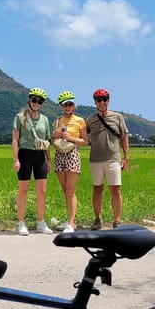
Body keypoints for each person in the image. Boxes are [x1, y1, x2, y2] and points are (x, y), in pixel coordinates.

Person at [11, 87, 53, 235]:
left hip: (40, 155)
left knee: (42, 190)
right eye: (34, 100)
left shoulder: (45, 119)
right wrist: (16, 159)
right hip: (25, 155)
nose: (36, 103)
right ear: (29, 100)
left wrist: (49, 159)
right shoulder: (20, 117)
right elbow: (15, 140)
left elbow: (47, 141)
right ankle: (21, 223)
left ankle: (41, 222)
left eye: (39, 101)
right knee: (23, 190)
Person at [86, 88, 129, 229]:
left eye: (104, 99)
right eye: (99, 100)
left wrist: (126, 157)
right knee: (97, 189)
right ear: (95, 102)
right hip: (96, 159)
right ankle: (97, 219)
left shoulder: (117, 117)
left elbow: (124, 137)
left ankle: (117, 220)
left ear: (109, 101)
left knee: (115, 190)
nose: (102, 102)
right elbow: (83, 136)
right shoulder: (91, 120)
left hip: (113, 158)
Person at [51, 90, 89, 232]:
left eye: (70, 104)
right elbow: (52, 137)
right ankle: (69, 219)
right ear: (61, 106)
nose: (67, 107)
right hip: (59, 154)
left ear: (74, 106)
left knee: (70, 191)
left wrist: (71, 138)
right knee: (64, 189)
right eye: (65, 105)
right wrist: (59, 133)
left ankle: (72, 223)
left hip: (72, 154)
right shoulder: (57, 121)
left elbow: (85, 141)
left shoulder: (80, 121)